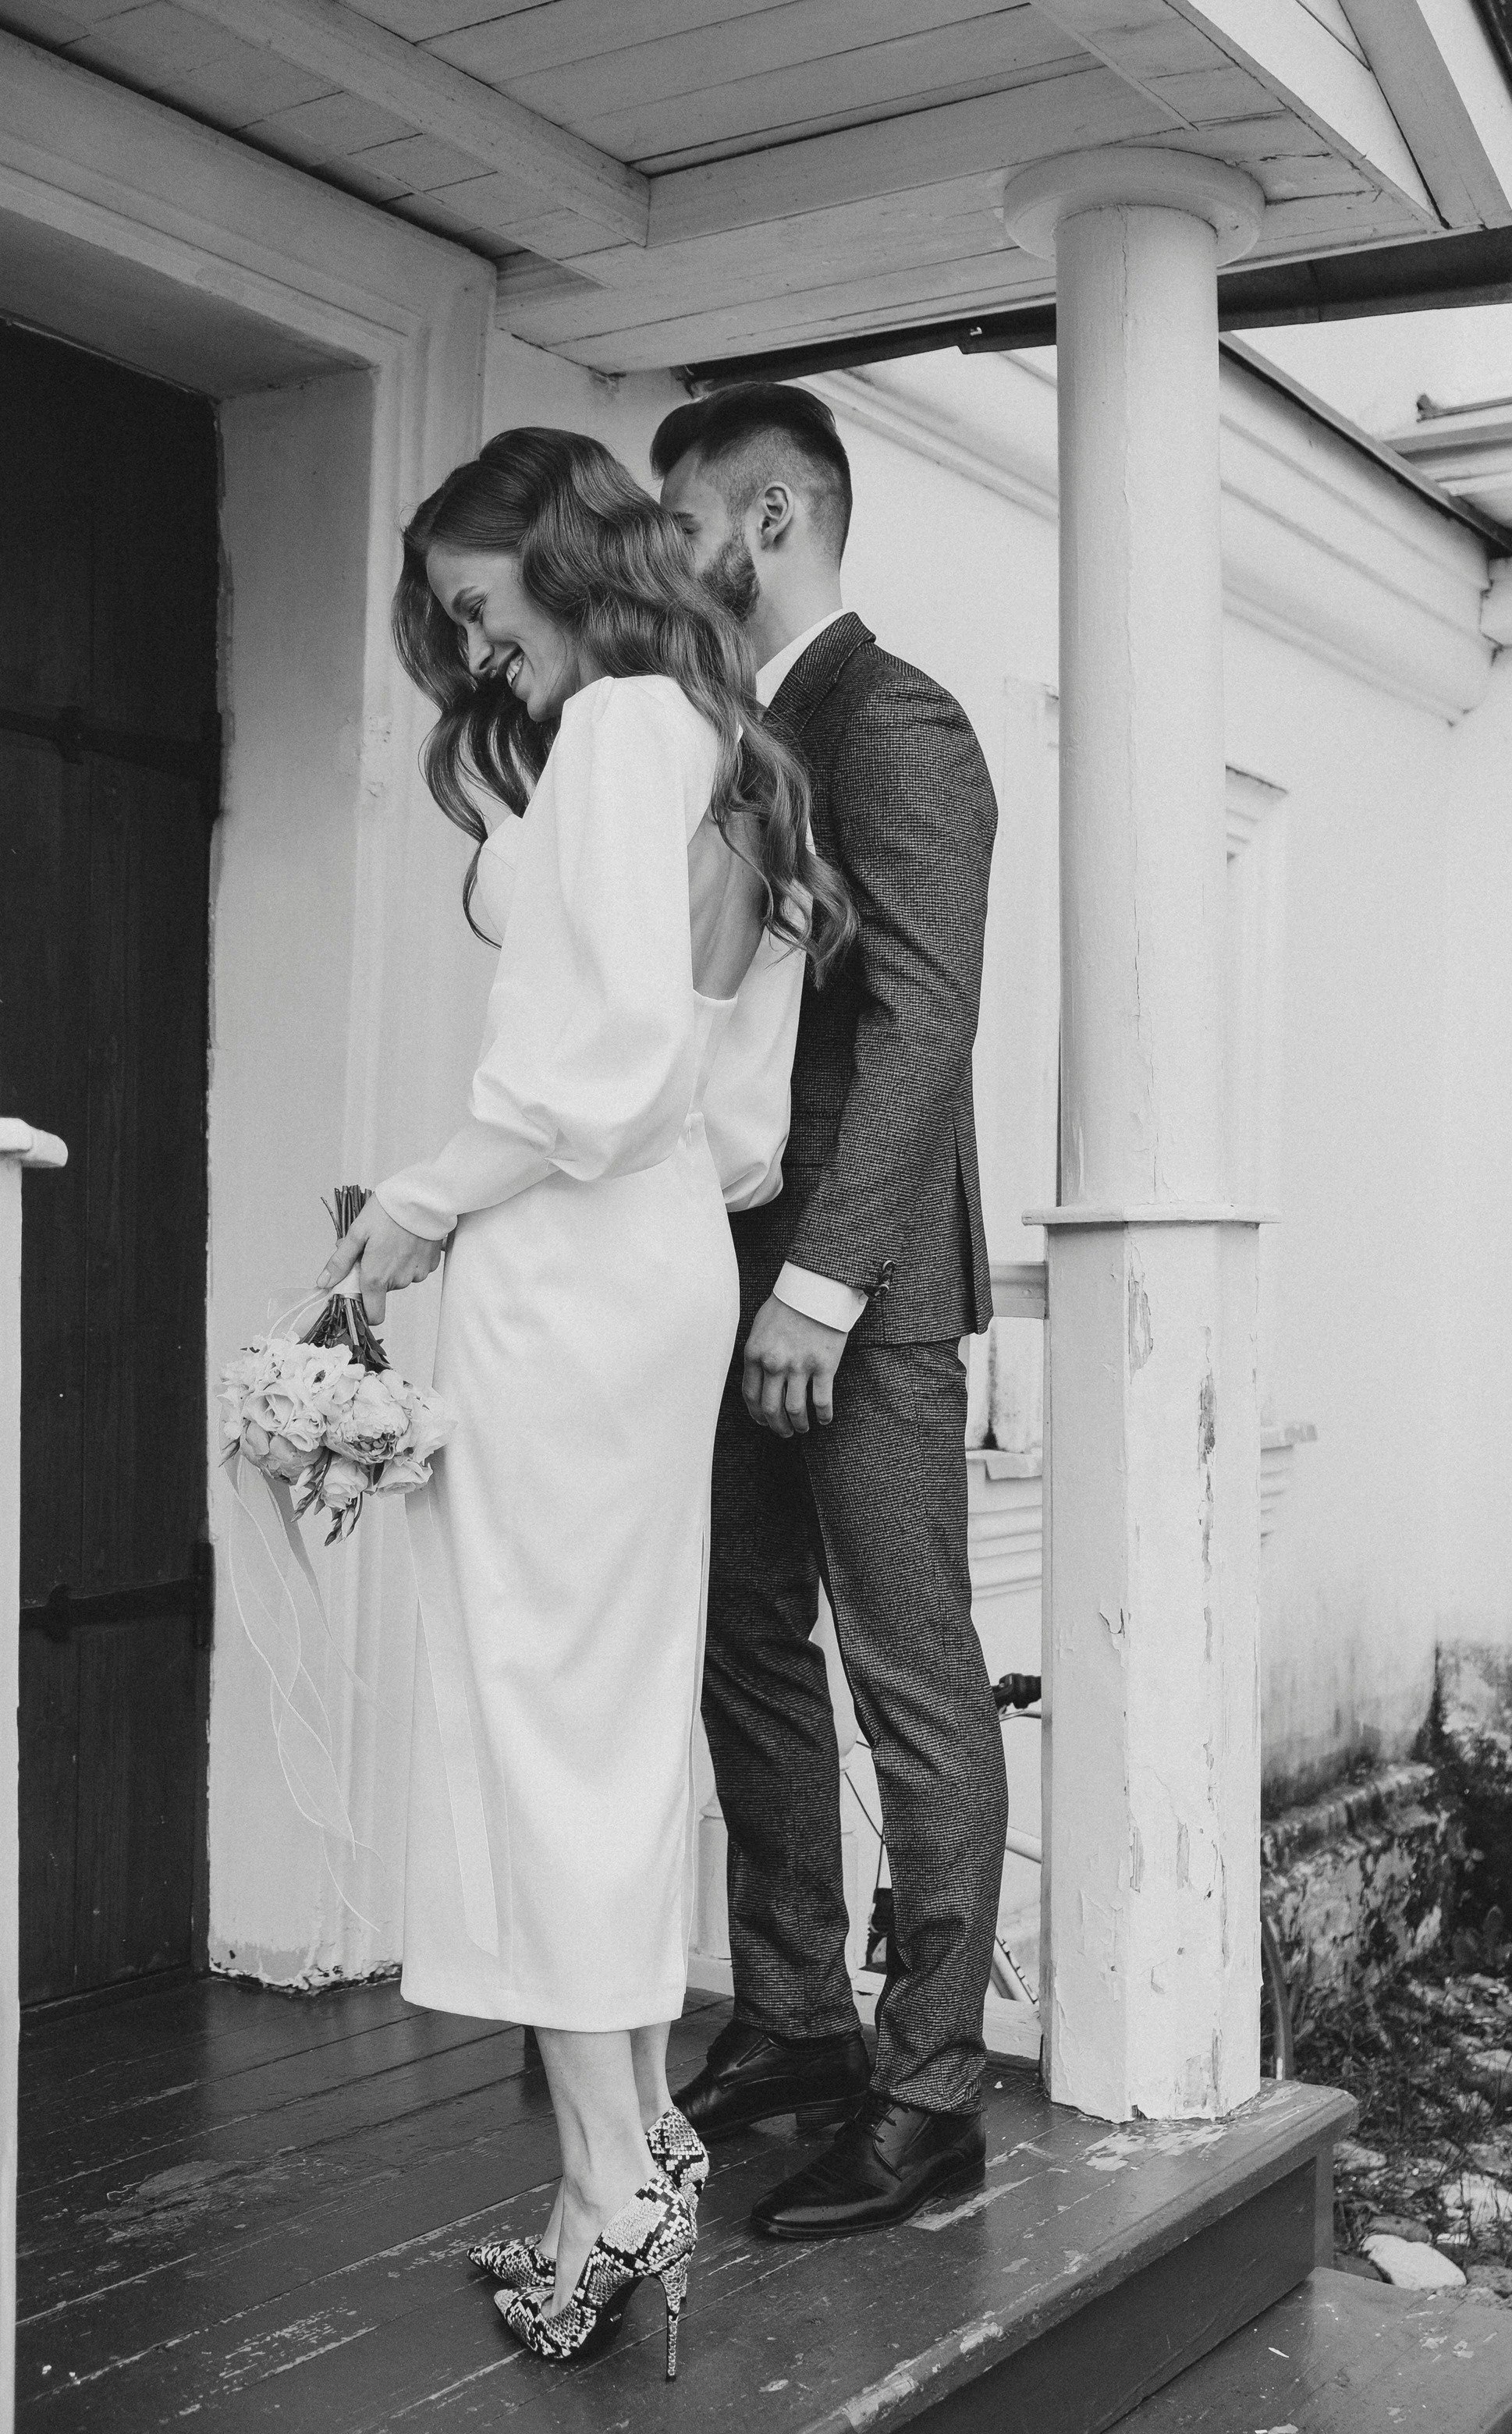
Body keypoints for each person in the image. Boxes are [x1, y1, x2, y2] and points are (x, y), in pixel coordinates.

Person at [317, 428, 851, 2372]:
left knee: (543, 1722)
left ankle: (621, 2177)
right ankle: (605, 2174)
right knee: (596, 1727)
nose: (472, 656)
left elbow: (609, 1066)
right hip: (645, 1263)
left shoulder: (628, 727)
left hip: (570, 1272)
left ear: (556, 557)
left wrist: (424, 1203)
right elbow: (713, 1124)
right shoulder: (709, 744)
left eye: (476, 608)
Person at [653, 384, 1010, 2238]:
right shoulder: (733, 734)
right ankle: (791, 2026)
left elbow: (920, 1026)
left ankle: (931, 2094)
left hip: (847, 1295)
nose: (667, 554)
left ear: (775, 515)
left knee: (909, 1675)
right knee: (742, 1643)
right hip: (720, 1275)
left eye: (687, 518)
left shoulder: (894, 719)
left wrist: (815, 1282)